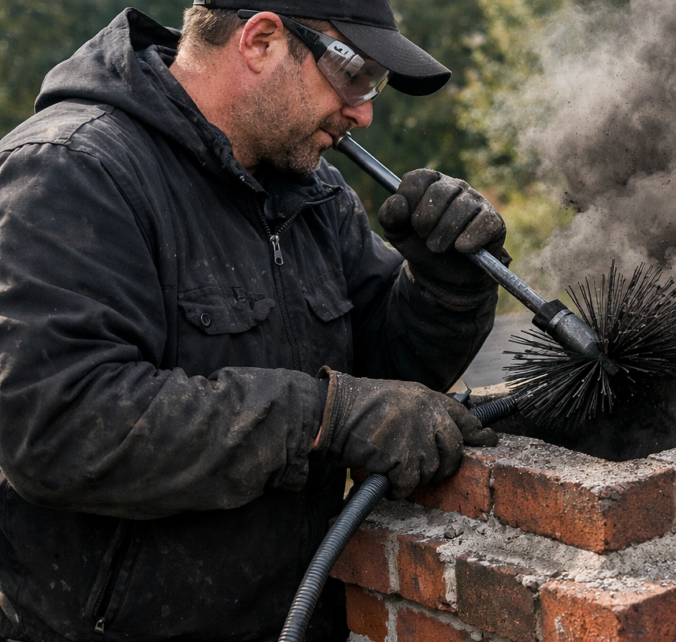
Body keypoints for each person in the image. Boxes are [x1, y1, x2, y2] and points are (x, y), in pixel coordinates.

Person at [0, 0, 507, 639]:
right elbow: (59, 426)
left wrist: (445, 288)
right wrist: (325, 418)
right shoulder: (72, 169)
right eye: (356, 76)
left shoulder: (313, 193)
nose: (364, 112)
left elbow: (388, 382)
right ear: (262, 40)